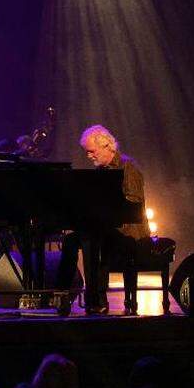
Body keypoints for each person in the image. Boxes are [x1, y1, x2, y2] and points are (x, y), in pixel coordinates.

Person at [55, 125, 147, 314]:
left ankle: (95, 299)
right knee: (71, 240)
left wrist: (106, 212)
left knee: (92, 238)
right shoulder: (100, 172)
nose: (89, 156)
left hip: (128, 232)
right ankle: (62, 293)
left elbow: (135, 202)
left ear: (106, 146)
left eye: (91, 151)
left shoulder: (128, 167)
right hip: (105, 228)